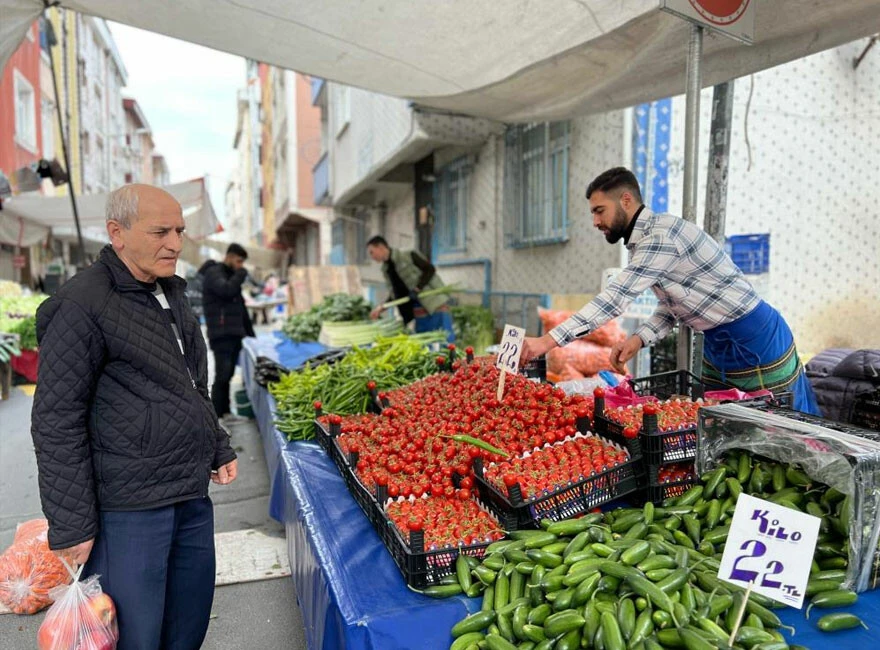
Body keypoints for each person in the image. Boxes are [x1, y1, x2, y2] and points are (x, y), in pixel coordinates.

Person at [31, 184, 238, 650]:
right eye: (161, 231)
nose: (176, 243)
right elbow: (56, 419)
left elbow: (190, 382)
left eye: (180, 231)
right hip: (129, 508)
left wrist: (218, 443)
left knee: (187, 624)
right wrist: (72, 523)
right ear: (116, 233)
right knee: (136, 636)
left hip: (188, 493)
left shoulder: (171, 292)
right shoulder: (80, 303)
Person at [521, 167, 820, 415]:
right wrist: (640, 338)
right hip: (718, 342)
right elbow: (673, 305)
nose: (596, 222)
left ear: (626, 200)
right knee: (729, 423)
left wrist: (547, 341)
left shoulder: (661, 238)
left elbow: (614, 300)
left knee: (781, 423)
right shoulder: (646, 241)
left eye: (600, 211)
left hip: (755, 338)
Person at [199, 244, 256, 421]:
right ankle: (216, 417)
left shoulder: (231, 275)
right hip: (221, 333)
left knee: (229, 374)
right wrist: (240, 274)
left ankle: (226, 412)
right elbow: (226, 290)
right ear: (230, 257)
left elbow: (240, 306)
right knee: (222, 374)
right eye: (238, 261)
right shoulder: (213, 272)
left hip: (233, 333)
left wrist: (250, 333)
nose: (240, 266)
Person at [366, 235, 455, 342]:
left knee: (444, 340)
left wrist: (418, 288)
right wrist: (382, 307)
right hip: (417, 312)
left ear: (380, 247)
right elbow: (395, 294)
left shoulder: (407, 254)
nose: (371, 256)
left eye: (372, 252)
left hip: (433, 304)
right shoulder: (386, 269)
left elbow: (429, 269)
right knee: (427, 345)